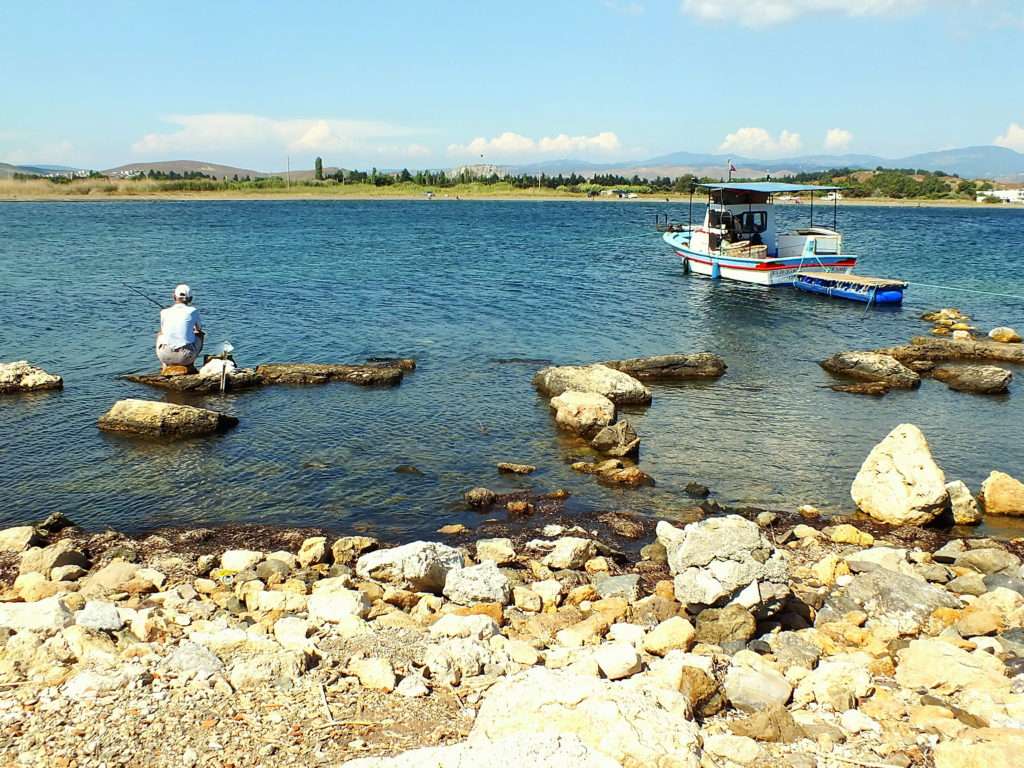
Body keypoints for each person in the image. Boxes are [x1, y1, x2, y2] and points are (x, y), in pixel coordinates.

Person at [156, 284, 204, 371]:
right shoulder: (193, 311)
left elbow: (163, 331)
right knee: (200, 335)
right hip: (185, 357)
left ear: (174, 296)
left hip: (164, 356)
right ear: (190, 299)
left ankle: (164, 366)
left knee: (160, 334)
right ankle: (190, 365)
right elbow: (199, 329)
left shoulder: (164, 312)